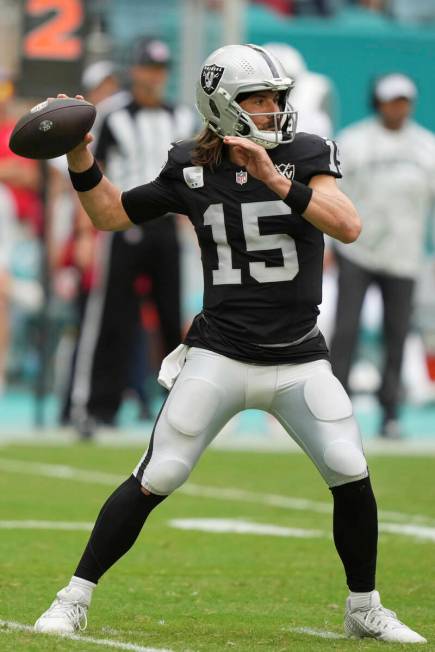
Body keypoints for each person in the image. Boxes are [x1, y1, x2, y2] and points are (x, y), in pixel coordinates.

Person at [34, 45, 426, 644]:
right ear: (223, 106)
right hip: (219, 353)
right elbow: (111, 215)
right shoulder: (189, 165)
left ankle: (364, 606)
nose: (273, 110)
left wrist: (274, 177)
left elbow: (348, 224)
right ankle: (73, 597)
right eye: (259, 99)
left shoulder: (305, 154)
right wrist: (81, 156)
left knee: (350, 468)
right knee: (159, 472)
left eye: (277, 98)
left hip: (298, 354)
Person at [66, 38, 195, 436]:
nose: (154, 77)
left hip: (168, 226)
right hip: (120, 222)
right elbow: (91, 170)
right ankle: (93, 406)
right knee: (110, 317)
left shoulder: (183, 119)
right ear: (135, 70)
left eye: (160, 69)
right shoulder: (111, 114)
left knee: (173, 318)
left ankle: (181, 410)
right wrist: (85, 233)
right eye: (148, 68)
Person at [329, 73, 435, 439]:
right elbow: (332, 195)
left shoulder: (427, 147)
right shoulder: (353, 141)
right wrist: (329, 245)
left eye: (404, 100)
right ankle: (335, 410)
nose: (398, 107)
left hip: (405, 255)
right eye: (392, 100)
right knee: (346, 330)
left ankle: (391, 412)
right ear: (378, 102)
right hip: (356, 250)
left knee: (397, 333)